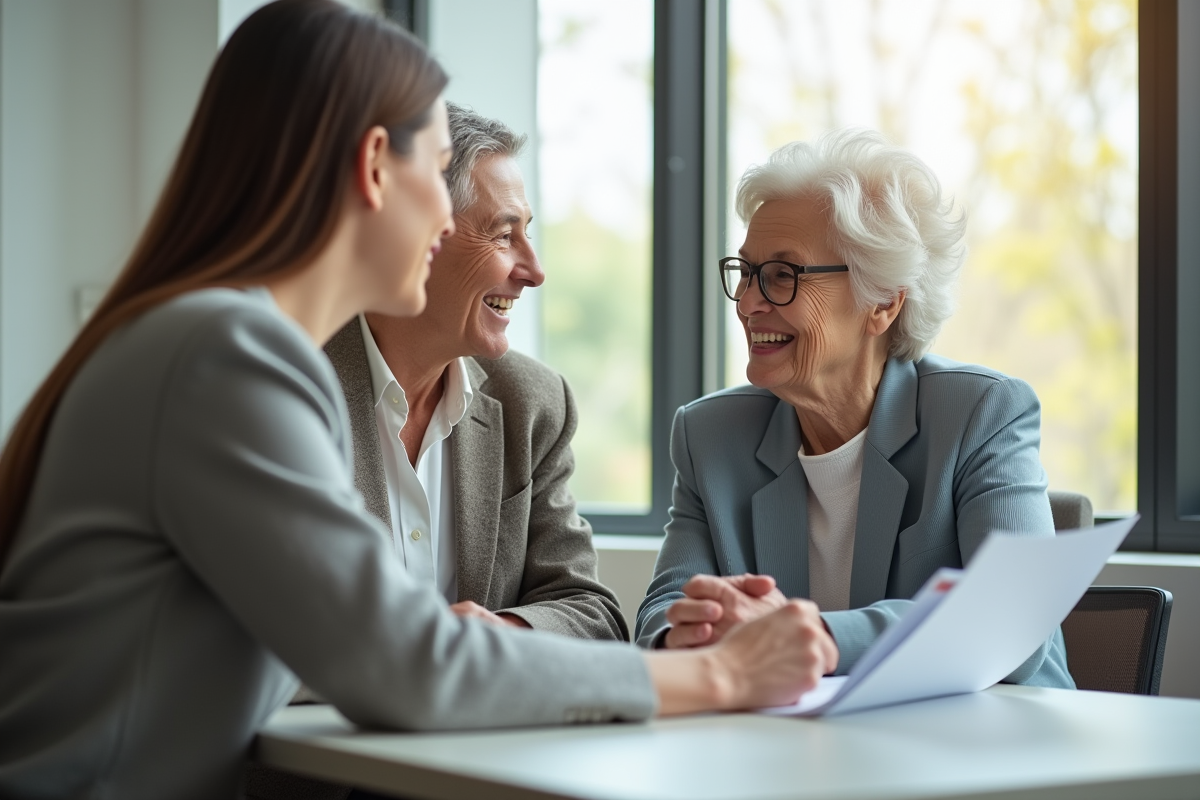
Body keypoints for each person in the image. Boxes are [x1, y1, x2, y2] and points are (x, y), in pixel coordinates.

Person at [0, 3, 836, 798]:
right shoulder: (227, 355)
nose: (444, 216)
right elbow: (406, 664)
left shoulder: (211, 339)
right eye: (437, 173)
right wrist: (724, 672)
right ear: (372, 167)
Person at [634, 129, 1074, 689]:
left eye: (782, 276)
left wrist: (818, 636)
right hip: (802, 753)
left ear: (883, 301)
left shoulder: (981, 414)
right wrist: (693, 631)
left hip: (995, 751)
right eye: (746, 272)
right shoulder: (710, 436)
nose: (747, 304)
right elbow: (663, 613)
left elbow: (1011, 621)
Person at [322, 103, 623, 640]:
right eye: (505, 236)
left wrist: (496, 636)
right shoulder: (290, 389)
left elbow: (592, 614)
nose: (534, 271)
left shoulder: (533, 403)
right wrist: (426, 652)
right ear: (418, 239)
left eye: (528, 233)